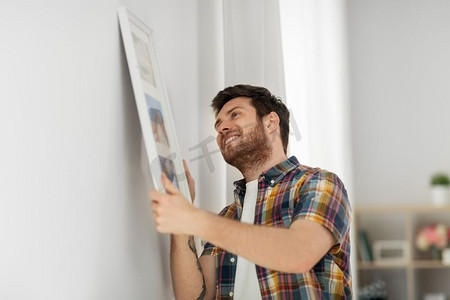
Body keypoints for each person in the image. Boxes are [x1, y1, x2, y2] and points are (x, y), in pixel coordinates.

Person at [150, 84, 352, 299]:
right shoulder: (228, 217)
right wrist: (181, 221)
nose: (221, 128)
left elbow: (298, 254)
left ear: (271, 122)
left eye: (234, 114)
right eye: (218, 125)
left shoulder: (318, 183)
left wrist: (196, 219)